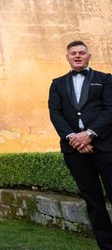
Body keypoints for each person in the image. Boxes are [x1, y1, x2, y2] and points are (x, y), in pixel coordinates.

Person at [48, 40, 112, 249]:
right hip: (74, 150)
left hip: (105, 147)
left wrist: (90, 134)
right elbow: (55, 113)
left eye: (81, 53)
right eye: (73, 53)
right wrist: (73, 139)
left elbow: (110, 110)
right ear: (67, 57)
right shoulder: (57, 83)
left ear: (89, 56)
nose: (77, 56)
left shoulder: (105, 79)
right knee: (93, 200)